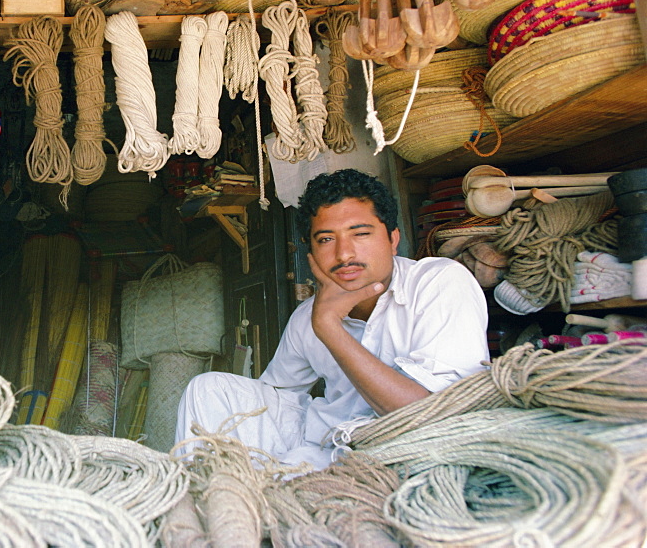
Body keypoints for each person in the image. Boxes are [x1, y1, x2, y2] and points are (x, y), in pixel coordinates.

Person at [175, 169, 490, 470]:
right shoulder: (307, 317)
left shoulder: (439, 283)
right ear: (309, 252)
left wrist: (329, 329)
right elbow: (275, 398)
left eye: (361, 233)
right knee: (209, 388)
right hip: (325, 446)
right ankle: (214, 499)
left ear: (392, 239)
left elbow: (432, 417)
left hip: (407, 452)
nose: (344, 254)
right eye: (326, 239)